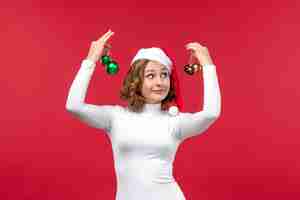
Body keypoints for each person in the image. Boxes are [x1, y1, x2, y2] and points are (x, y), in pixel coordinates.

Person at [65, 29, 221, 200]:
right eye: (151, 75)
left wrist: (208, 65)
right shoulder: (115, 117)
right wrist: (91, 60)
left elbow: (210, 114)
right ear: (136, 81)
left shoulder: (175, 122)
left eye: (164, 75)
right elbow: (74, 106)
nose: (160, 82)